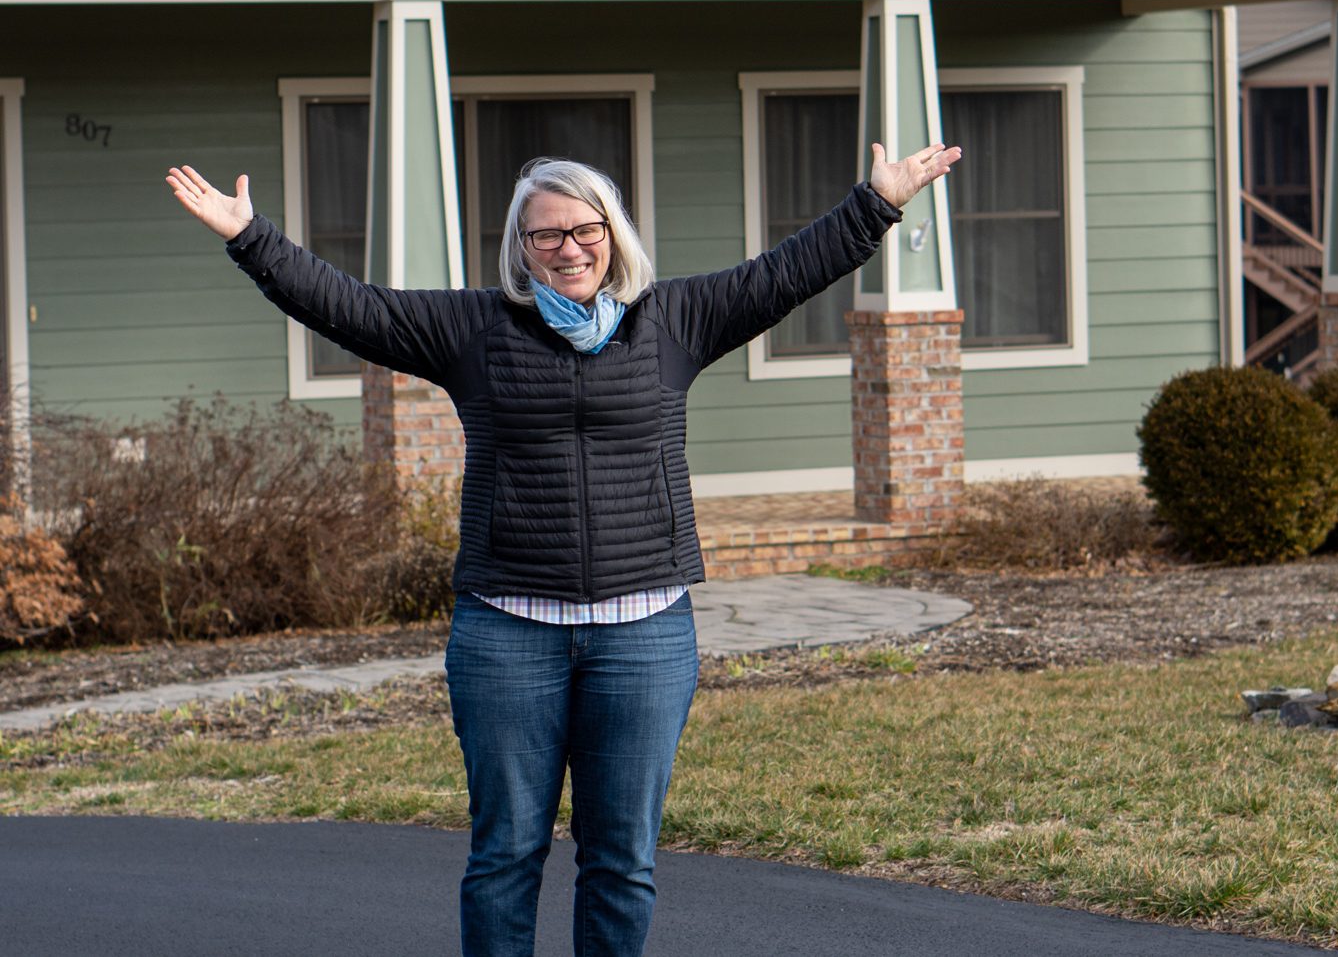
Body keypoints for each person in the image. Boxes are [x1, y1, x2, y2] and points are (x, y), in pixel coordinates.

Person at [165, 138, 959, 957]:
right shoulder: (473, 329)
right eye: (546, 235)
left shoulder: (672, 319)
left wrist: (877, 201)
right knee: (505, 854)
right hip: (507, 631)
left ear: (612, 232)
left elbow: (786, 272)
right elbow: (349, 306)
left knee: (622, 861)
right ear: (521, 247)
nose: (569, 247)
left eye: (585, 229)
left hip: (644, 632)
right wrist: (249, 235)